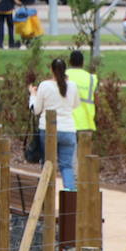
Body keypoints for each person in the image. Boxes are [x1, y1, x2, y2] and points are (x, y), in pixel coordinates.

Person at [28, 58, 81, 190]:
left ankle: (46, 196)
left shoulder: (45, 85)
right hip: (68, 129)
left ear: (51, 69)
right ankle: (69, 198)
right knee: (67, 166)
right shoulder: (73, 85)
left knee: (47, 164)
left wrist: (32, 94)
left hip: (48, 129)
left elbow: (36, 110)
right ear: (65, 70)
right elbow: (75, 105)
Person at [66, 50, 98, 137]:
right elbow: (96, 100)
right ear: (83, 63)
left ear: (69, 62)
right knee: (84, 150)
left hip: (66, 123)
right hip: (86, 123)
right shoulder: (91, 78)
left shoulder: (63, 76)